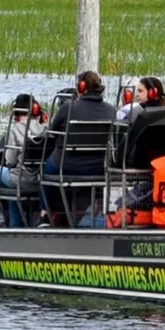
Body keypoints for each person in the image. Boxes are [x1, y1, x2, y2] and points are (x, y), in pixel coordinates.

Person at [38, 71, 117, 225]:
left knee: (45, 169)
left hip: (66, 166)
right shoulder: (111, 110)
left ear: (81, 87)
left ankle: (45, 214)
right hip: (99, 167)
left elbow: (53, 132)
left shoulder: (68, 107)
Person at [0, 94, 46, 226]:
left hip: (20, 179)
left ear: (16, 111)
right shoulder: (42, 129)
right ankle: (14, 224)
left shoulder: (14, 130)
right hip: (39, 181)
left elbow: (10, 161)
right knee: (10, 185)